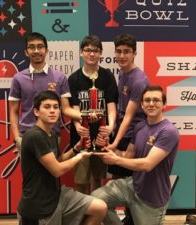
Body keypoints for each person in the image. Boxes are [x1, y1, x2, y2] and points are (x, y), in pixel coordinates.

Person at [91, 85, 179, 225]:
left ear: (164, 105)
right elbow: (128, 156)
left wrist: (116, 160)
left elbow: (147, 164)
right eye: (147, 100)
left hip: (152, 198)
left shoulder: (168, 131)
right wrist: (108, 150)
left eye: (156, 100)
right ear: (142, 105)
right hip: (133, 186)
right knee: (96, 200)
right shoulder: (139, 127)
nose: (151, 103)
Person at [17, 90, 107, 225]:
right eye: (47, 107)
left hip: (57, 195)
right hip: (38, 207)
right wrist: (80, 157)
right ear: (36, 112)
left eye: (56, 107)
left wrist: (76, 149)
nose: (52, 111)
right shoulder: (34, 136)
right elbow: (57, 170)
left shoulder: (50, 134)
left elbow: (58, 160)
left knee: (100, 208)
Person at [9, 32, 81, 151]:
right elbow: (14, 111)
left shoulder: (59, 77)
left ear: (46, 50)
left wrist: (87, 115)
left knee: (54, 169)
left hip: (52, 136)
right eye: (32, 47)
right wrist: (17, 138)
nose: (36, 51)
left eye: (40, 46)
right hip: (27, 136)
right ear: (26, 52)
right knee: (31, 171)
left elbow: (66, 109)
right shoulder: (18, 78)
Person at [68, 35, 118, 194]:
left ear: (101, 53)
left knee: (98, 178)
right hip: (81, 136)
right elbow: (74, 108)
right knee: (81, 180)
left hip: (101, 135)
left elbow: (111, 106)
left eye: (95, 51)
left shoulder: (107, 76)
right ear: (81, 52)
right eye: (88, 50)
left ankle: (96, 215)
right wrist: (78, 126)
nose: (91, 54)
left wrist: (110, 126)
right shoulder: (74, 78)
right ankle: (83, 214)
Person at [107, 34, 150, 178]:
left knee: (128, 182)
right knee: (116, 178)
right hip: (122, 130)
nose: (122, 55)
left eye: (126, 51)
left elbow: (129, 115)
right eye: (118, 51)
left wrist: (116, 142)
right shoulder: (122, 72)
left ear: (134, 54)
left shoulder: (139, 80)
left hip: (134, 133)